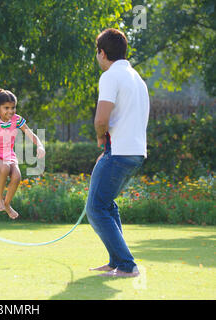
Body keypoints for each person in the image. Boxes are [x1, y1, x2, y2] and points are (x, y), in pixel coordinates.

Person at [86, 29, 149, 277]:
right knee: (107, 205)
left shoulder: (111, 76)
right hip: (135, 153)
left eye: (97, 52)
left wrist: (102, 138)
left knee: (95, 208)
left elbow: (101, 118)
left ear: (102, 53)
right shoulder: (137, 78)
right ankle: (116, 261)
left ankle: (126, 264)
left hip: (119, 152)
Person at [0, 87, 45, 219]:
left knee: (17, 177)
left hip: (8, 155)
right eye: (6, 108)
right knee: (4, 168)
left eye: (13, 107)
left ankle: (7, 204)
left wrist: (39, 145)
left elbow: (30, 134)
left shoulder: (16, 119)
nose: (10, 111)